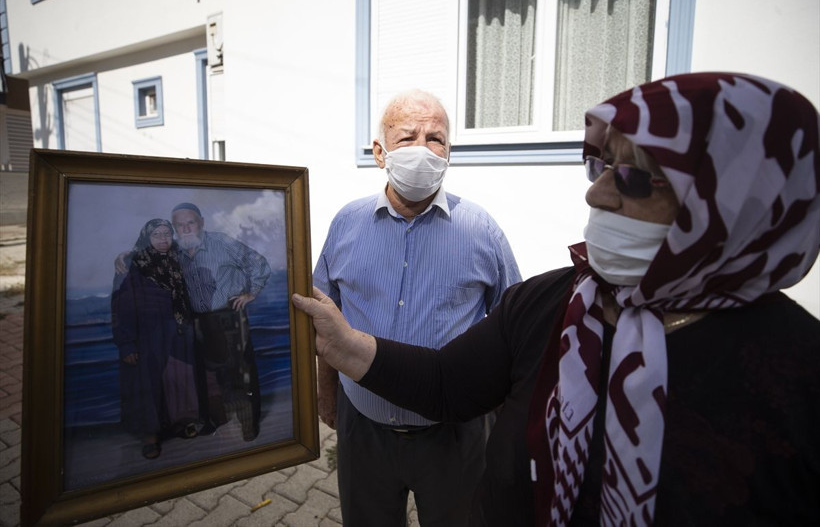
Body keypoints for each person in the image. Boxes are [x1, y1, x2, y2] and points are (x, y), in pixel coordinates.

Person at [294, 72, 820, 525]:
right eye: (600, 165)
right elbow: (446, 382)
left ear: (731, 197)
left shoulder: (798, 373)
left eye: (634, 177)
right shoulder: (551, 301)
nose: (596, 193)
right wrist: (345, 351)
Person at [313, 88, 521, 525]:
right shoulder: (346, 224)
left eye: (436, 139)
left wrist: (510, 427)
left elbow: (514, 335)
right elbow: (324, 317)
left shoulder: (480, 230)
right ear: (379, 152)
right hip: (363, 430)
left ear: (449, 154)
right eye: (408, 137)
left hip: (455, 437)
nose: (423, 150)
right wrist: (327, 397)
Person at [170, 202, 272, 441]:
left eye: (190, 222)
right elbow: (148, 257)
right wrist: (124, 256)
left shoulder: (221, 242)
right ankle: (212, 421)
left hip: (229, 318)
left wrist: (251, 293)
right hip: (198, 322)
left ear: (201, 222)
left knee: (240, 373)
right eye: (180, 225)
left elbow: (259, 263)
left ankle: (249, 425)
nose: (186, 229)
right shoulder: (175, 251)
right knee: (205, 377)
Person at [111, 218, 199, 460]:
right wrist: (126, 342)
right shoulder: (131, 264)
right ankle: (150, 435)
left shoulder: (178, 259)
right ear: (146, 237)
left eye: (167, 234)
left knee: (177, 379)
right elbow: (119, 307)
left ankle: (178, 423)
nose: (163, 239)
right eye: (156, 235)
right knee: (147, 384)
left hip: (177, 331)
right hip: (145, 336)